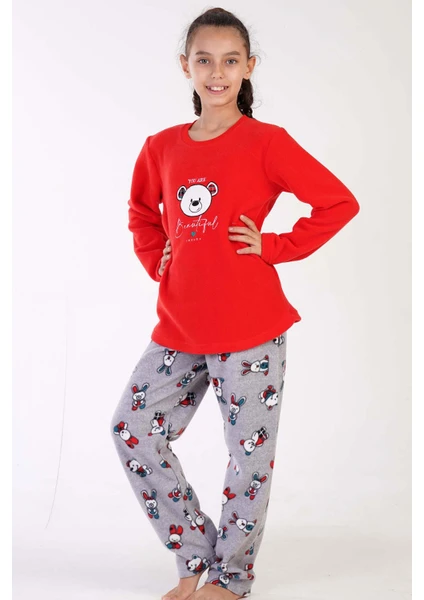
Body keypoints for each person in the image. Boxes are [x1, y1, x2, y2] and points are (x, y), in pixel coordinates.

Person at [110, 7, 360, 600]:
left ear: (249, 67)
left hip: (251, 329)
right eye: (204, 60)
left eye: (229, 60)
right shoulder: (161, 147)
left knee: (248, 459)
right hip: (178, 327)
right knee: (131, 428)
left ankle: (232, 578)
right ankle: (195, 554)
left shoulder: (267, 143)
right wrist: (157, 258)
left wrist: (274, 246)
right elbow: (142, 212)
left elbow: (338, 203)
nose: (217, 72)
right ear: (186, 66)